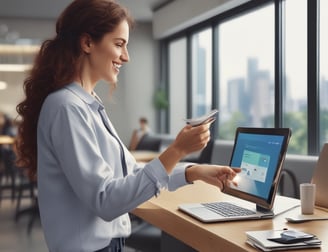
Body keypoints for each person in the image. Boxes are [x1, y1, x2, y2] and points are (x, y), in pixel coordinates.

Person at [15, 1, 240, 251]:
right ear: (87, 43)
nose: (126, 56)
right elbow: (106, 200)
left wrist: (193, 171)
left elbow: (129, 173)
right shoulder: (67, 107)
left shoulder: (85, 104)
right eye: (119, 44)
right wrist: (176, 150)